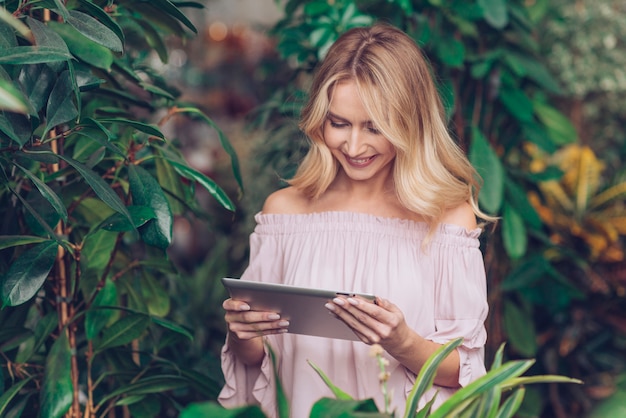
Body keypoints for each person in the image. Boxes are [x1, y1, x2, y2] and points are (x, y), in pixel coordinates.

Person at [219, 23, 492, 418]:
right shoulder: (285, 214)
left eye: (375, 127)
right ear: (319, 119)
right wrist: (241, 332)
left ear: (410, 123)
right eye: (339, 123)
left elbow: (463, 371)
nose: (354, 146)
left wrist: (401, 341)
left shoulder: (447, 219)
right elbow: (256, 360)